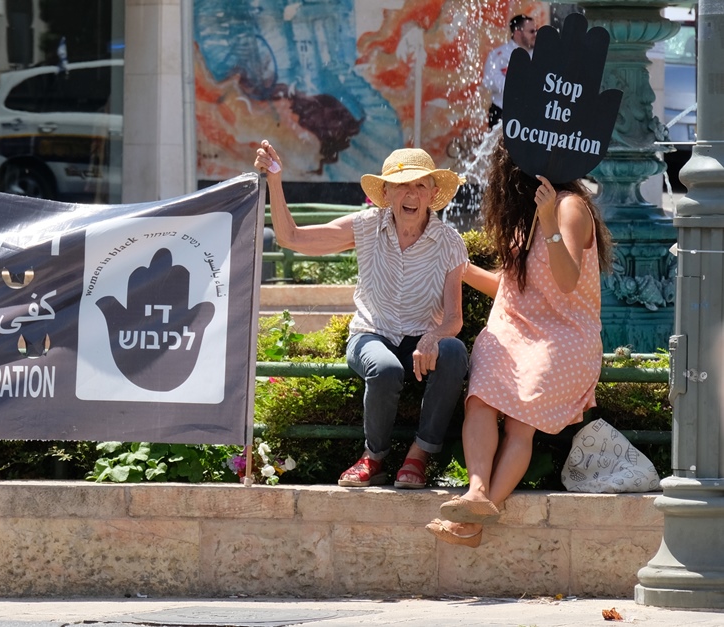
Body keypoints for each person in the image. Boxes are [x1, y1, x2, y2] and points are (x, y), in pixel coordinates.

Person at [426, 138, 613, 547]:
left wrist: (548, 221)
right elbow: (513, 290)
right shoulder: (521, 216)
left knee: (519, 421)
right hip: (518, 329)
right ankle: (475, 493)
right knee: (480, 399)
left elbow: (565, 283)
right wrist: (461, 268)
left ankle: (473, 521)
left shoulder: (568, 208)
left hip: (566, 338)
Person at [254, 141, 469, 489]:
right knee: (385, 369)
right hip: (370, 334)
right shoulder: (367, 225)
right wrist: (275, 180)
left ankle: (419, 454)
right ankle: (374, 457)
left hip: (421, 340)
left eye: (419, 185)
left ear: (432, 193)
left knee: (455, 352)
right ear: (386, 193)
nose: (410, 194)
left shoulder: (449, 242)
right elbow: (290, 237)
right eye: (401, 185)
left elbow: (453, 319)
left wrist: (433, 337)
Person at [484, 14, 537, 128]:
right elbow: (489, 81)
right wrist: (516, 87)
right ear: (518, 33)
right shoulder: (499, 54)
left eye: (536, 31)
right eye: (531, 31)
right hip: (502, 113)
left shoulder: (540, 55)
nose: (535, 35)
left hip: (530, 115)